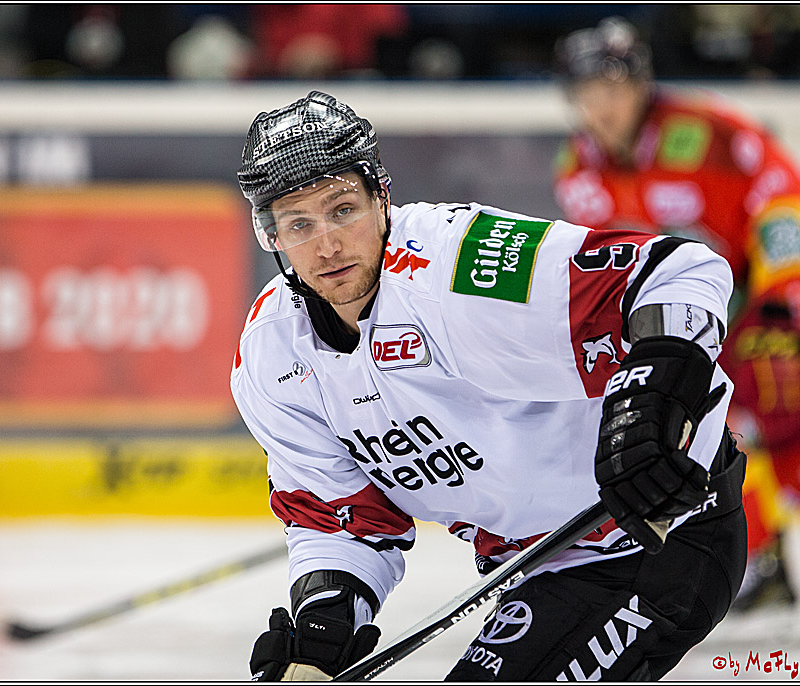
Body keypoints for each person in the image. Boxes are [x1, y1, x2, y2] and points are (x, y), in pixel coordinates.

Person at [230, 90, 747, 681]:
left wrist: (655, 402)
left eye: (343, 209)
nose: (326, 245)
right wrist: (322, 629)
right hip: (543, 565)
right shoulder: (274, 356)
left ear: (381, 199)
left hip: (663, 531)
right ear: (271, 238)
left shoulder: (459, 268)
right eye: (298, 224)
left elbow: (680, 272)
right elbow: (340, 519)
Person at [552, 16, 800, 614]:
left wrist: (791, 308)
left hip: (768, 304)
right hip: (695, 322)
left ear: (641, 83)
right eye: (587, 92)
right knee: (712, 431)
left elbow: (786, 205)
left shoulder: (708, 132)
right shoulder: (577, 170)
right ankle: (759, 559)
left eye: (613, 87)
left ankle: (760, 557)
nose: (602, 106)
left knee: (784, 434)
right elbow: (601, 267)